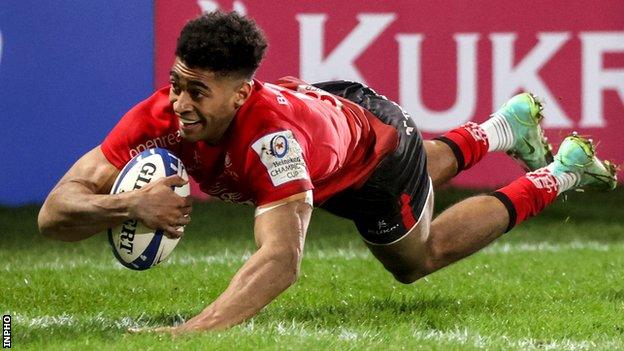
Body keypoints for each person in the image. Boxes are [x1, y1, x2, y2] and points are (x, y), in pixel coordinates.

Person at [38, 10, 617, 333]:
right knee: (412, 181)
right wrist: (126, 206)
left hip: (375, 157)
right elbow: (53, 212)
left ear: (241, 95)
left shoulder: (272, 145)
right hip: (335, 119)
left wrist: (192, 332)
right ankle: (503, 129)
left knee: (417, 258)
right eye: (176, 82)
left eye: (198, 91)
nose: (181, 103)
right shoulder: (159, 115)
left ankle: (560, 173)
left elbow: (281, 261)